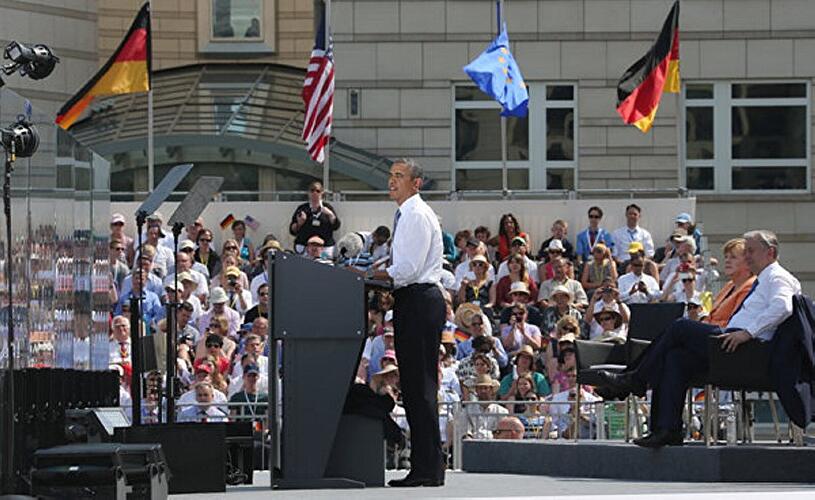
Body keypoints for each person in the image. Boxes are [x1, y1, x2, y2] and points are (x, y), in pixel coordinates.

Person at [597, 230, 801, 448]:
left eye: (751, 251)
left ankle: (634, 380)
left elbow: (784, 306)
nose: (747, 256)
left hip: (746, 349)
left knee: (680, 327)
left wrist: (747, 332)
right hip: (733, 345)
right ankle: (668, 429)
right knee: (676, 358)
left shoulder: (777, 276)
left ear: (770, 252)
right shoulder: (764, 279)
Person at [367, 159, 446, 487]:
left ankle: (427, 468)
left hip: (419, 299)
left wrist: (373, 274)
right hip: (413, 300)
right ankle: (427, 466)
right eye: (390, 176)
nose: (392, 182)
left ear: (417, 183)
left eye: (399, 176)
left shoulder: (414, 213)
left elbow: (409, 269)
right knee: (415, 386)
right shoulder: (406, 214)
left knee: (419, 386)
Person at [704, 238, 756, 328]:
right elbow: (712, 315)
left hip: (724, 335)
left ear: (748, 263)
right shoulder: (730, 285)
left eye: (733, 257)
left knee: (681, 326)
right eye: (726, 257)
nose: (727, 260)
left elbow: (734, 322)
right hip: (710, 330)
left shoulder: (750, 287)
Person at [289, 180, 341, 258]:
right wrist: (299, 223)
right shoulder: (302, 209)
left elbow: (336, 226)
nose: (315, 193)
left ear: (322, 193)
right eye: (312, 190)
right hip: (305, 247)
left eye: (318, 191)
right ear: (308, 193)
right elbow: (292, 231)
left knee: (325, 267)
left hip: (324, 247)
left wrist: (330, 215)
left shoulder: (328, 208)